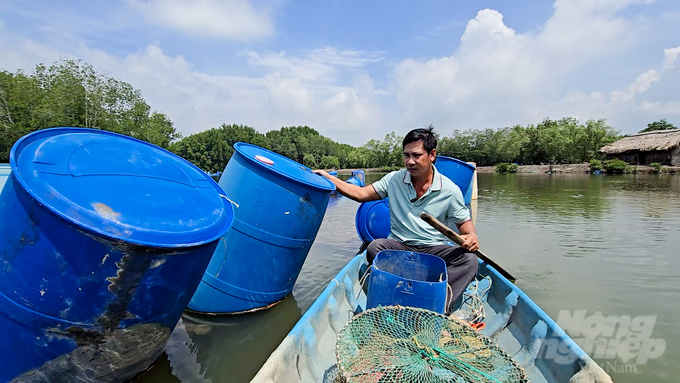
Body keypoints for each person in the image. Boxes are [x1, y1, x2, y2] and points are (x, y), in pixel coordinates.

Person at [314, 126, 479, 313]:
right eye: (406, 155)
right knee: (375, 247)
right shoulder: (394, 180)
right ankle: (410, 288)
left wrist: (471, 238)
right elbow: (360, 193)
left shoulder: (449, 190)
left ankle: (437, 306)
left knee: (470, 261)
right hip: (399, 247)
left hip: (432, 251)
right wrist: (329, 177)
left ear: (432, 155)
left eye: (416, 155)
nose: (410, 161)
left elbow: (467, 230)